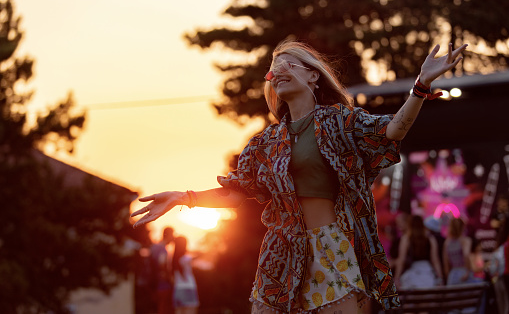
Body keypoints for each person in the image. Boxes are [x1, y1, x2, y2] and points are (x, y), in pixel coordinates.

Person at [131, 40, 467, 313]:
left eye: (290, 63)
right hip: (281, 253)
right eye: (275, 68)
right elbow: (238, 191)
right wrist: (184, 197)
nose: (279, 70)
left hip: (333, 247)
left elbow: (392, 130)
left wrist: (421, 86)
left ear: (313, 77)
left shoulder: (339, 121)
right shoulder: (266, 142)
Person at [394, 215, 443, 289]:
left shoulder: (406, 239)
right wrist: (440, 277)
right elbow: (435, 260)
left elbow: (401, 260)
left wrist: (397, 278)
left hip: (412, 274)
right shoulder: (430, 239)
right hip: (427, 273)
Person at [443, 217, 476, 285]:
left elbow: (446, 262)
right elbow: (466, 255)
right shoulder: (465, 241)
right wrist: (468, 272)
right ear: (463, 227)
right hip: (464, 273)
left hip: (452, 275)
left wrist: (449, 275)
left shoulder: (447, 243)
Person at [150, 227, 175, 314]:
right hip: (163, 284)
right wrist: (171, 279)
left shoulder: (154, 247)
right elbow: (162, 266)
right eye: (172, 235)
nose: (173, 237)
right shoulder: (162, 249)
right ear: (168, 235)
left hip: (153, 283)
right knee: (164, 308)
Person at [172, 236, 199, 314]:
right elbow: (201, 257)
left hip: (177, 289)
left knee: (179, 311)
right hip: (188, 287)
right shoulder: (186, 258)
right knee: (190, 311)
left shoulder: (173, 259)